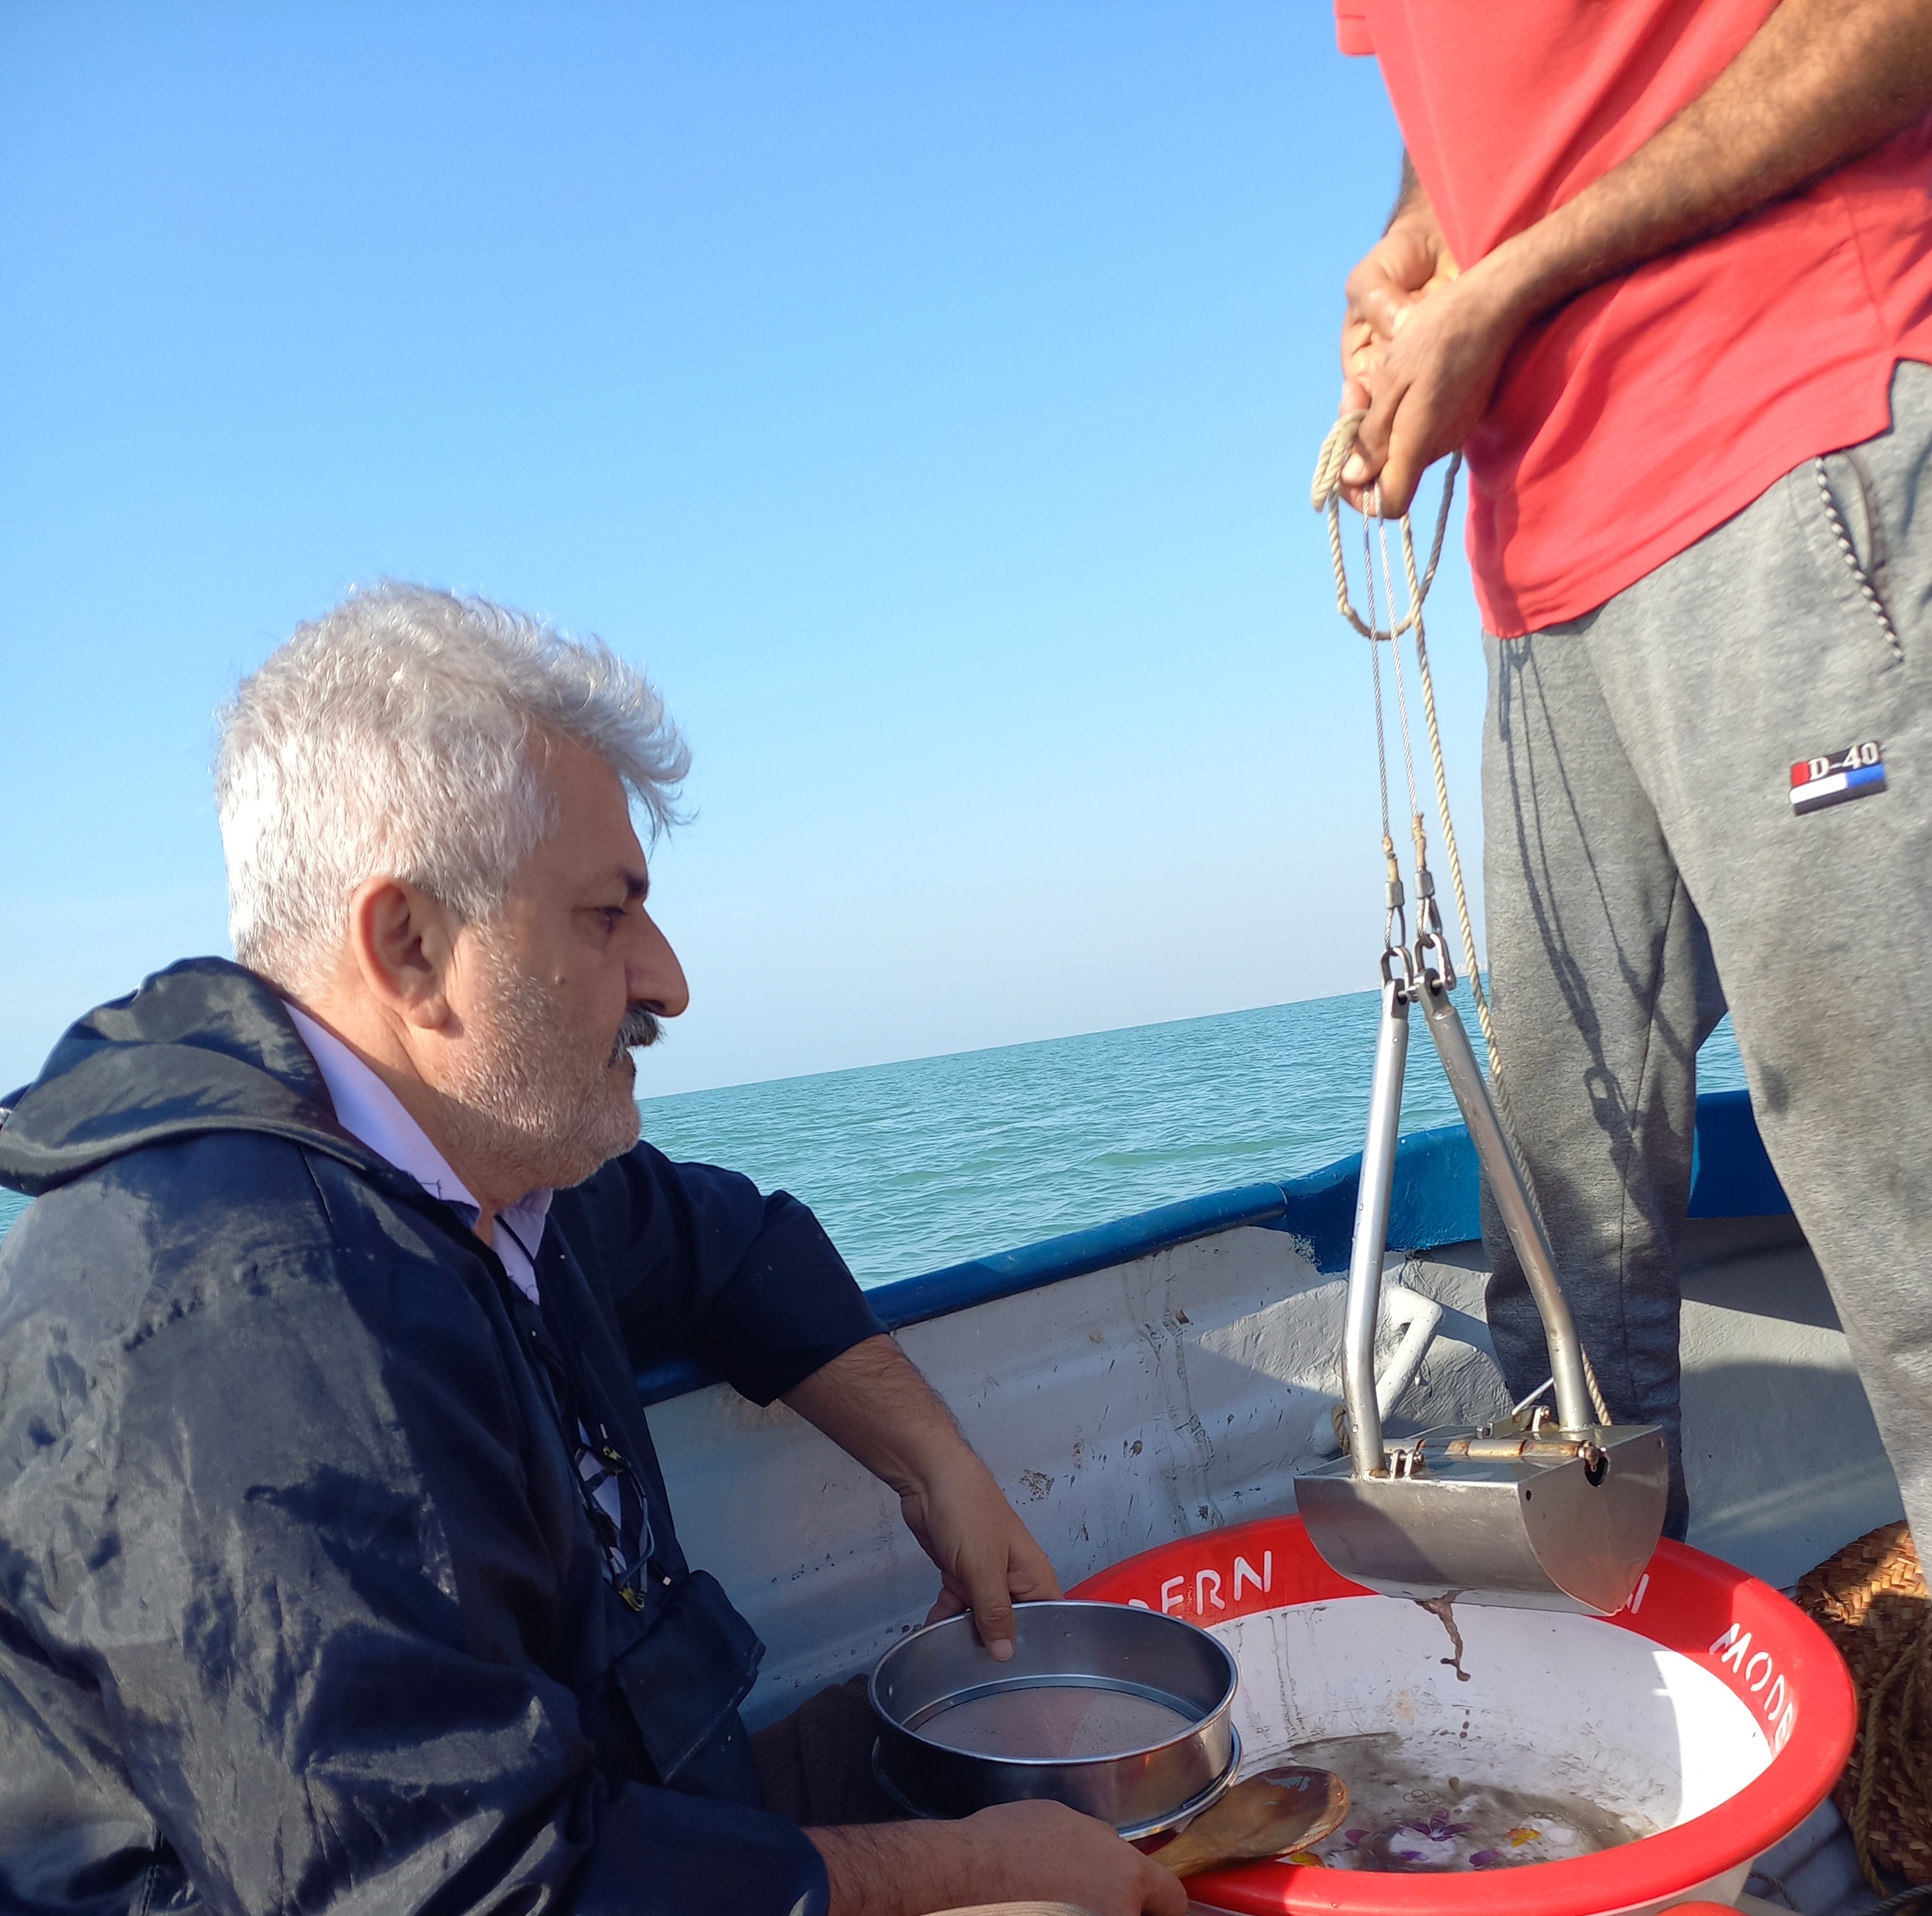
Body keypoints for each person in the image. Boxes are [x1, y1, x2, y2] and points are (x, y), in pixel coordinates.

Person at [0, 585, 1187, 1916]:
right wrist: (983, 1867)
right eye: (608, 914)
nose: (669, 979)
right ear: (409, 947)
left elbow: (735, 1248)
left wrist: (936, 1465)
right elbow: (466, 1893)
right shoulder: (243, 1329)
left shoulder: (493, 1173)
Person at [1330, 0, 1932, 1547]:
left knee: (1901, 1189)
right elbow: (1468, 97)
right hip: (1539, 582)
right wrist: (1422, 246)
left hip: (1786, 427)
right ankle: (1632, 1676)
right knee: (1559, 1257)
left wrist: (1511, 280)